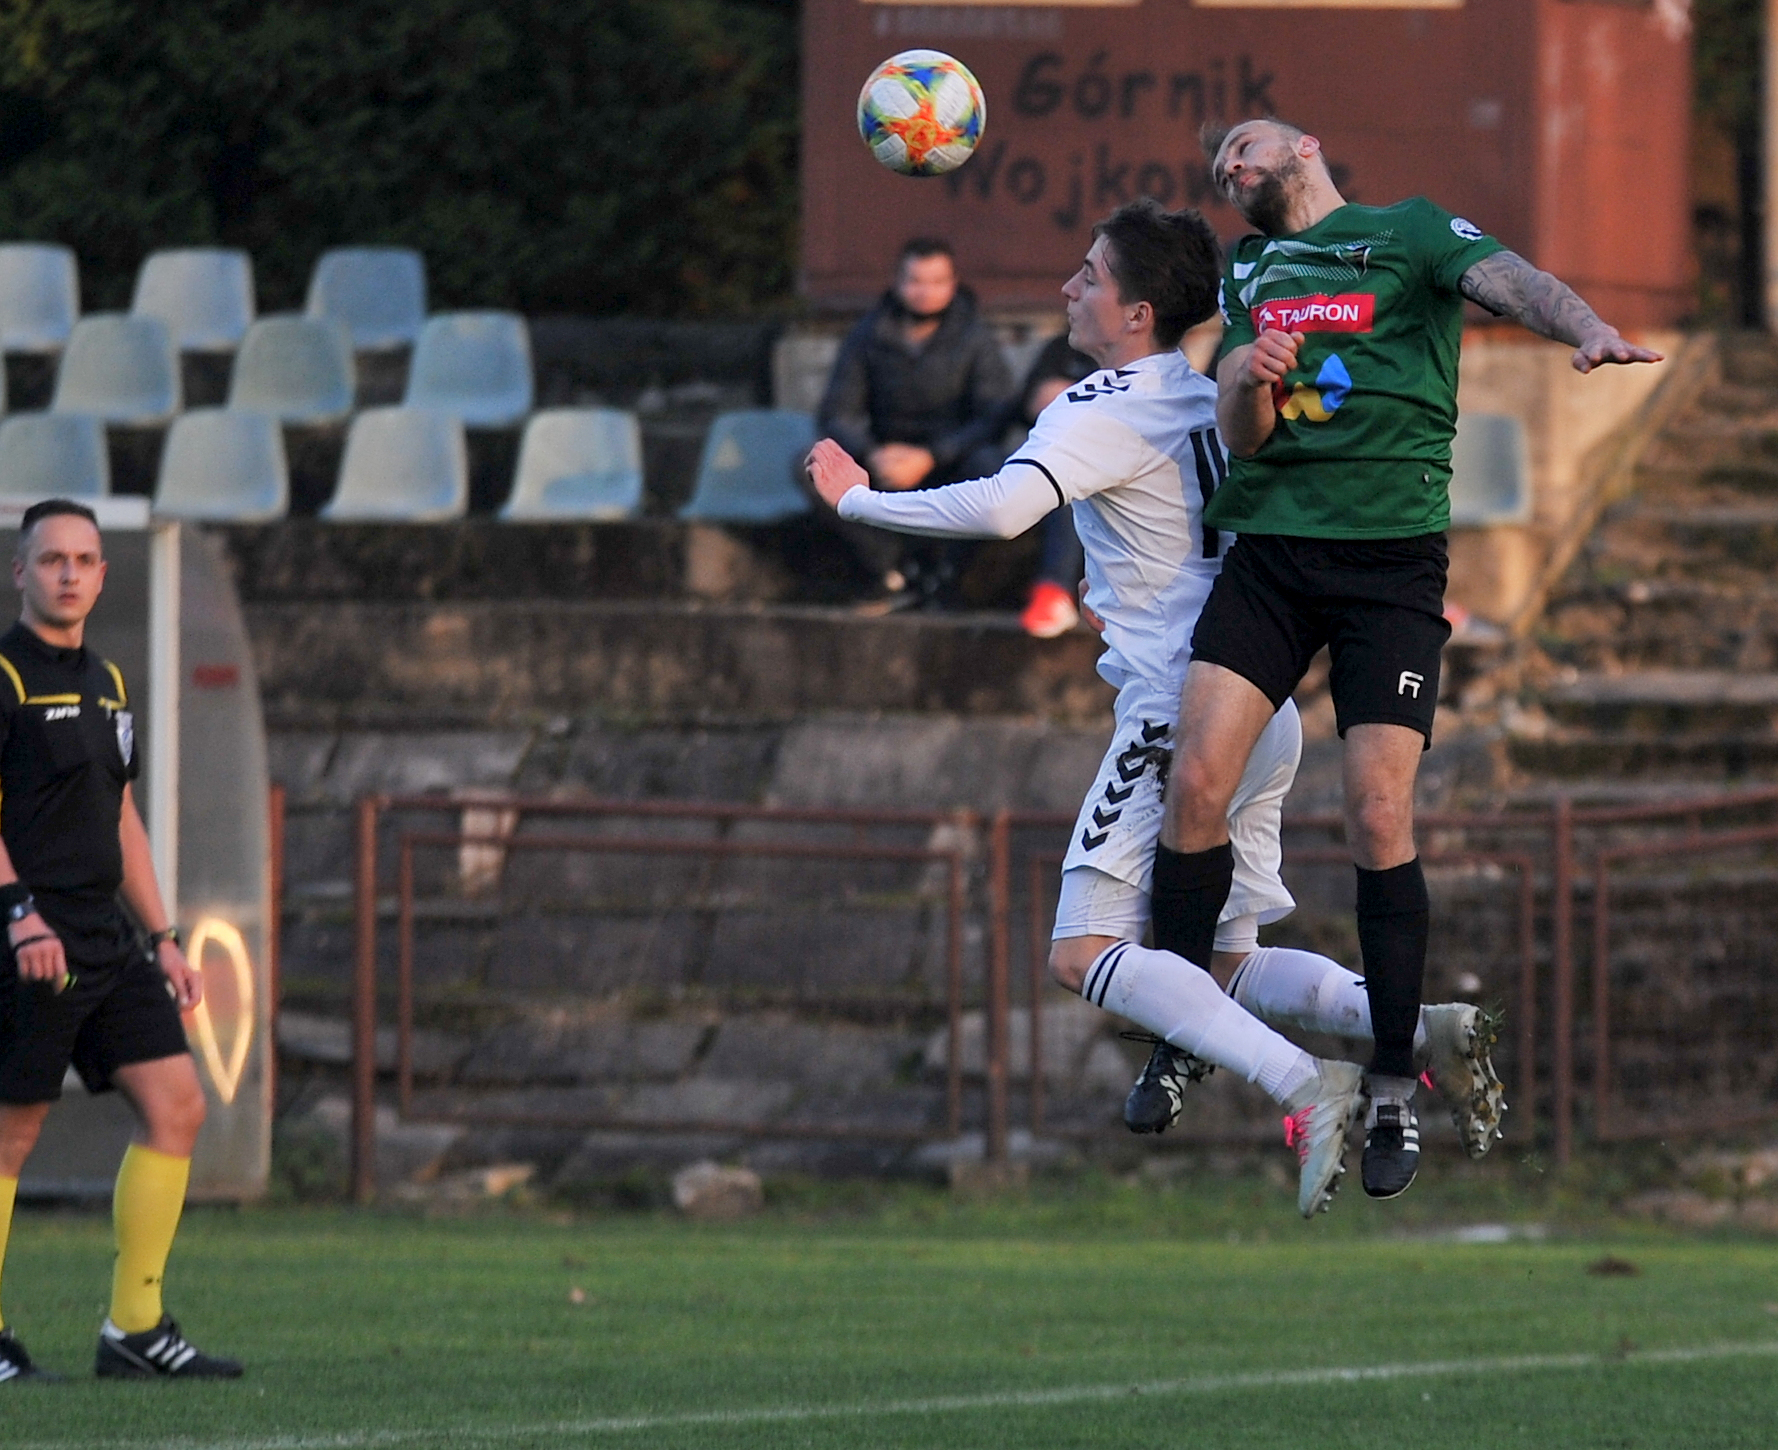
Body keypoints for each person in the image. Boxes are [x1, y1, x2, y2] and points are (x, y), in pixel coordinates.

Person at [812, 200, 1380, 1216]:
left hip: (1179, 711)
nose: (1068, 288)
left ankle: (1309, 1085)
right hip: (1265, 703)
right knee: (1224, 961)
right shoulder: (1218, 394)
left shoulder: (1101, 404)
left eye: (1088, 274)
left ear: (1136, 312)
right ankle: (1417, 1026)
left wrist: (860, 501)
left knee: (1081, 952)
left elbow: (1000, 509)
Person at [1146, 118, 1662, 1203]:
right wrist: (1247, 375)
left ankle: (1390, 1082)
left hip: (1388, 566)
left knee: (1378, 814)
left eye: (1243, 146)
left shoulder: (1409, 232)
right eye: (1218, 165)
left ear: (1304, 145)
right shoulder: (1252, 268)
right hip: (1272, 555)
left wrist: (1587, 327)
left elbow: (1513, 283)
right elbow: (1242, 435)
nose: (1230, 167)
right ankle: (1182, 1027)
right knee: (1192, 783)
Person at [0, 499, 240, 1383]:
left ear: (103, 576)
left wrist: (165, 938)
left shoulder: (107, 682)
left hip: (106, 937)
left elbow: (122, 816)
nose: (68, 573)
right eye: (51, 559)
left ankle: (133, 1331)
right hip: (29, 936)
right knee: (11, 1134)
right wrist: (18, 915)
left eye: (84, 560)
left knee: (177, 1104)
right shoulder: (5, 676)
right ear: (21, 573)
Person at [817, 237, 1015, 609]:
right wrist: (871, 454)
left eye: (937, 281)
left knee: (994, 467)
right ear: (897, 281)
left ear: (953, 283)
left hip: (952, 462)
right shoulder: (868, 334)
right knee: (815, 465)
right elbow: (836, 412)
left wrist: (931, 456)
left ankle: (946, 575)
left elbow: (995, 414)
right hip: (884, 460)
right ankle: (892, 571)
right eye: (915, 280)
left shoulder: (975, 337)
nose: (926, 292)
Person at [1009, 334, 1096, 638]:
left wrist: (1074, 398)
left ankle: (1055, 591)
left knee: (1068, 487)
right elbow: (1018, 407)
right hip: (1047, 453)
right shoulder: (1060, 347)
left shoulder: (1150, 354)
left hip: (1100, 463)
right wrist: (1035, 401)